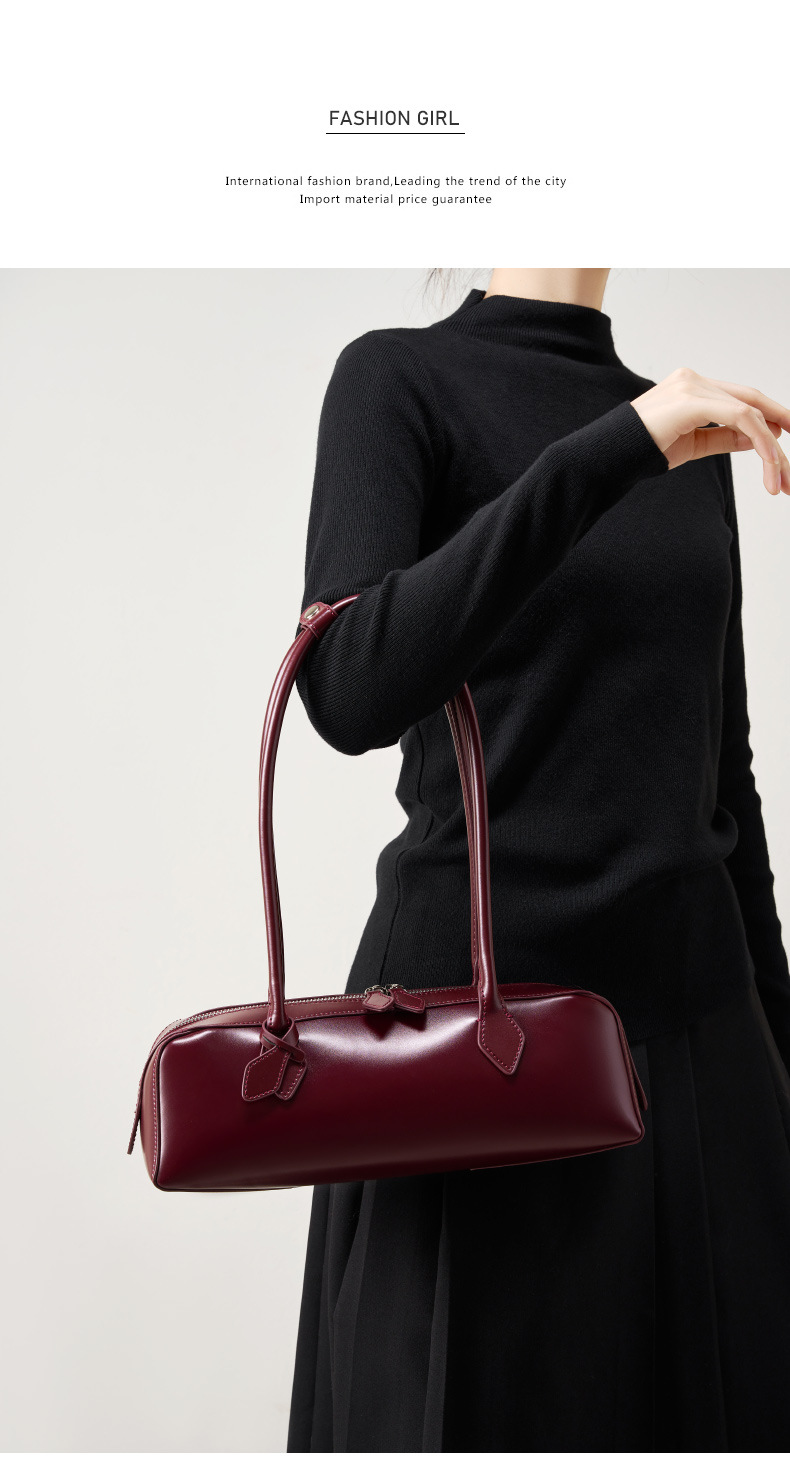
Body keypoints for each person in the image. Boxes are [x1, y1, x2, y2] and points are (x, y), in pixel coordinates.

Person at [286, 268, 790, 1452]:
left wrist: (782, 1048)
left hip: (698, 1055)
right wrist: (611, 452)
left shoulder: (684, 431)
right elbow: (346, 687)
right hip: (473, 1055)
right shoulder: (397, 378)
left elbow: (720, 779)